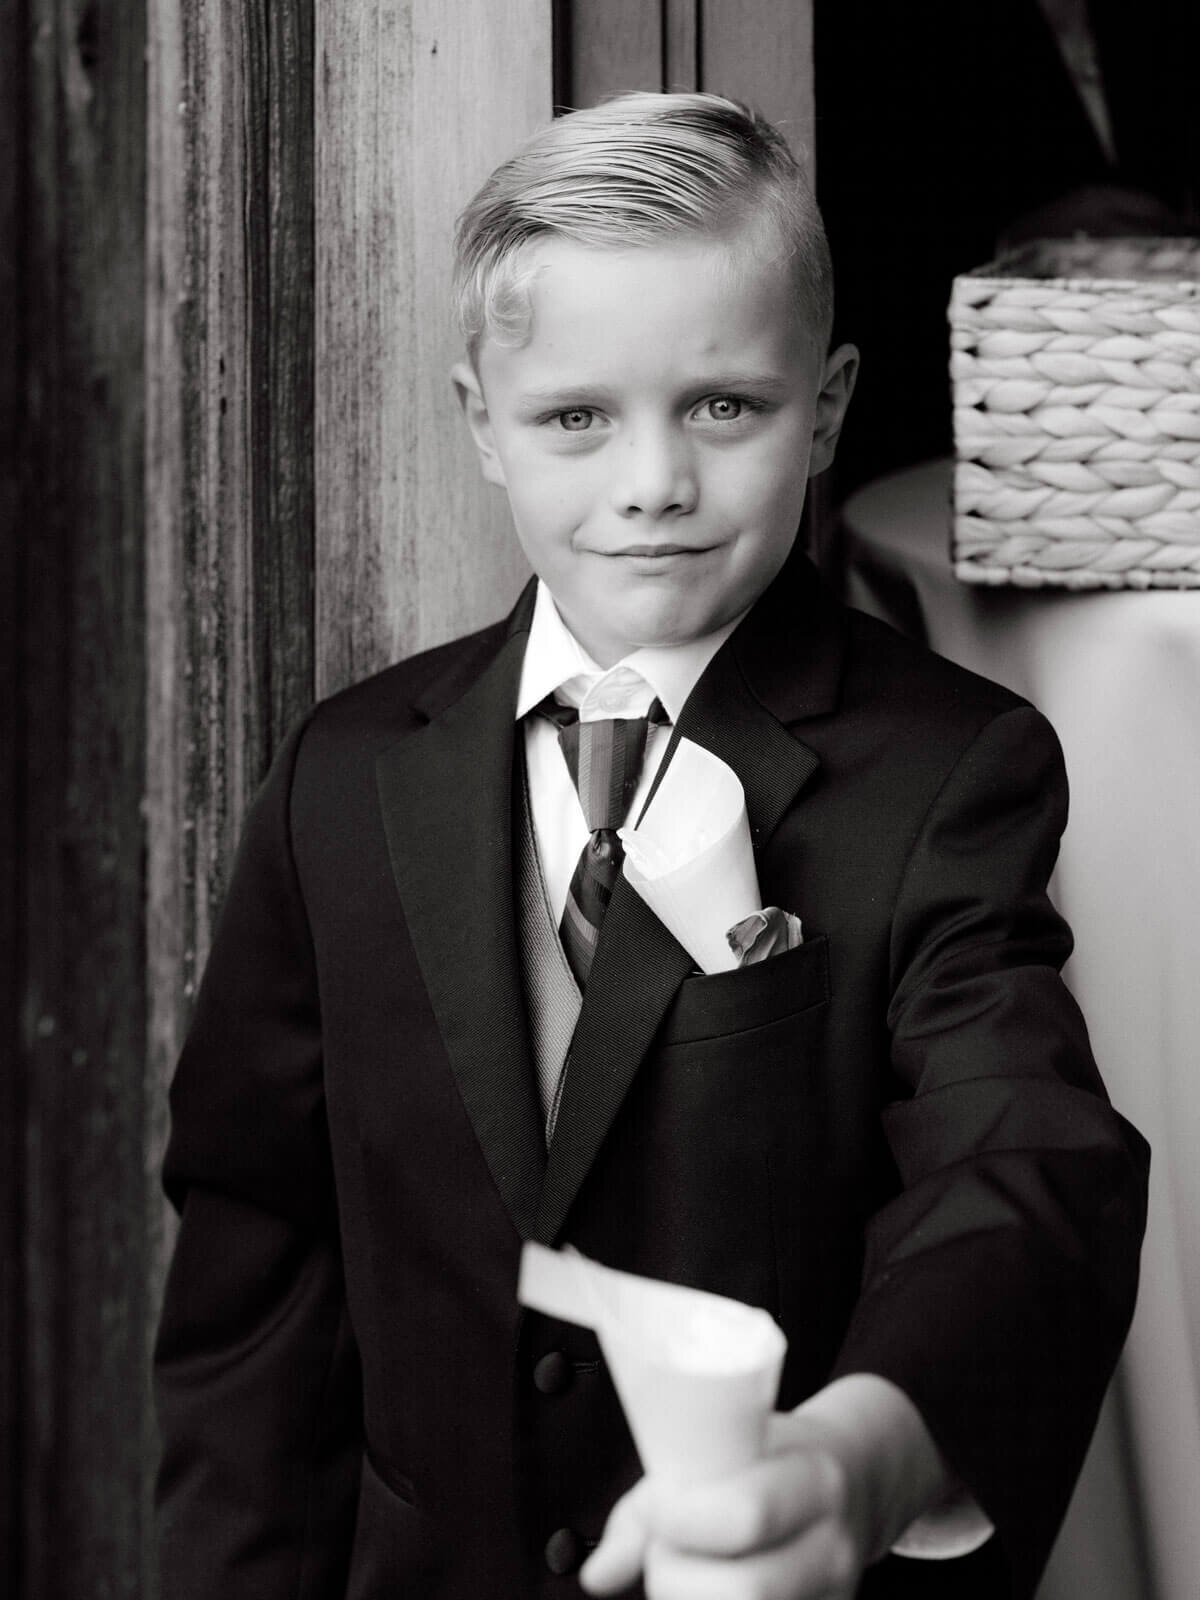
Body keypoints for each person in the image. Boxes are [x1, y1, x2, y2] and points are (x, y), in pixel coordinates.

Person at [153, 93, 1149, 1600]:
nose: (653, 485)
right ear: (482, 423)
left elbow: (1023, 1160)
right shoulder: (341, 779)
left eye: (725, 407)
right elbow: (258, 1265)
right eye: (575, 417)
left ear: (827, 404)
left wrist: (859, 1458)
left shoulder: (954, 771)